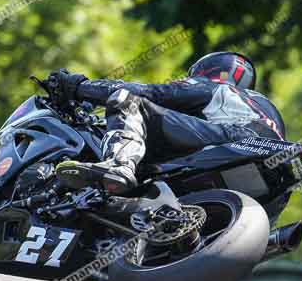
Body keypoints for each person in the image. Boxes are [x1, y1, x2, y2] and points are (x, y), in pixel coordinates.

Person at [47, 51, 286, 195]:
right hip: (270, 165)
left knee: (128, 101)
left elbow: (152, 94)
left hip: (233, 138)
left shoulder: (217, 88)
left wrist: (78, 87)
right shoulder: (264, 105)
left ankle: (120, 165)